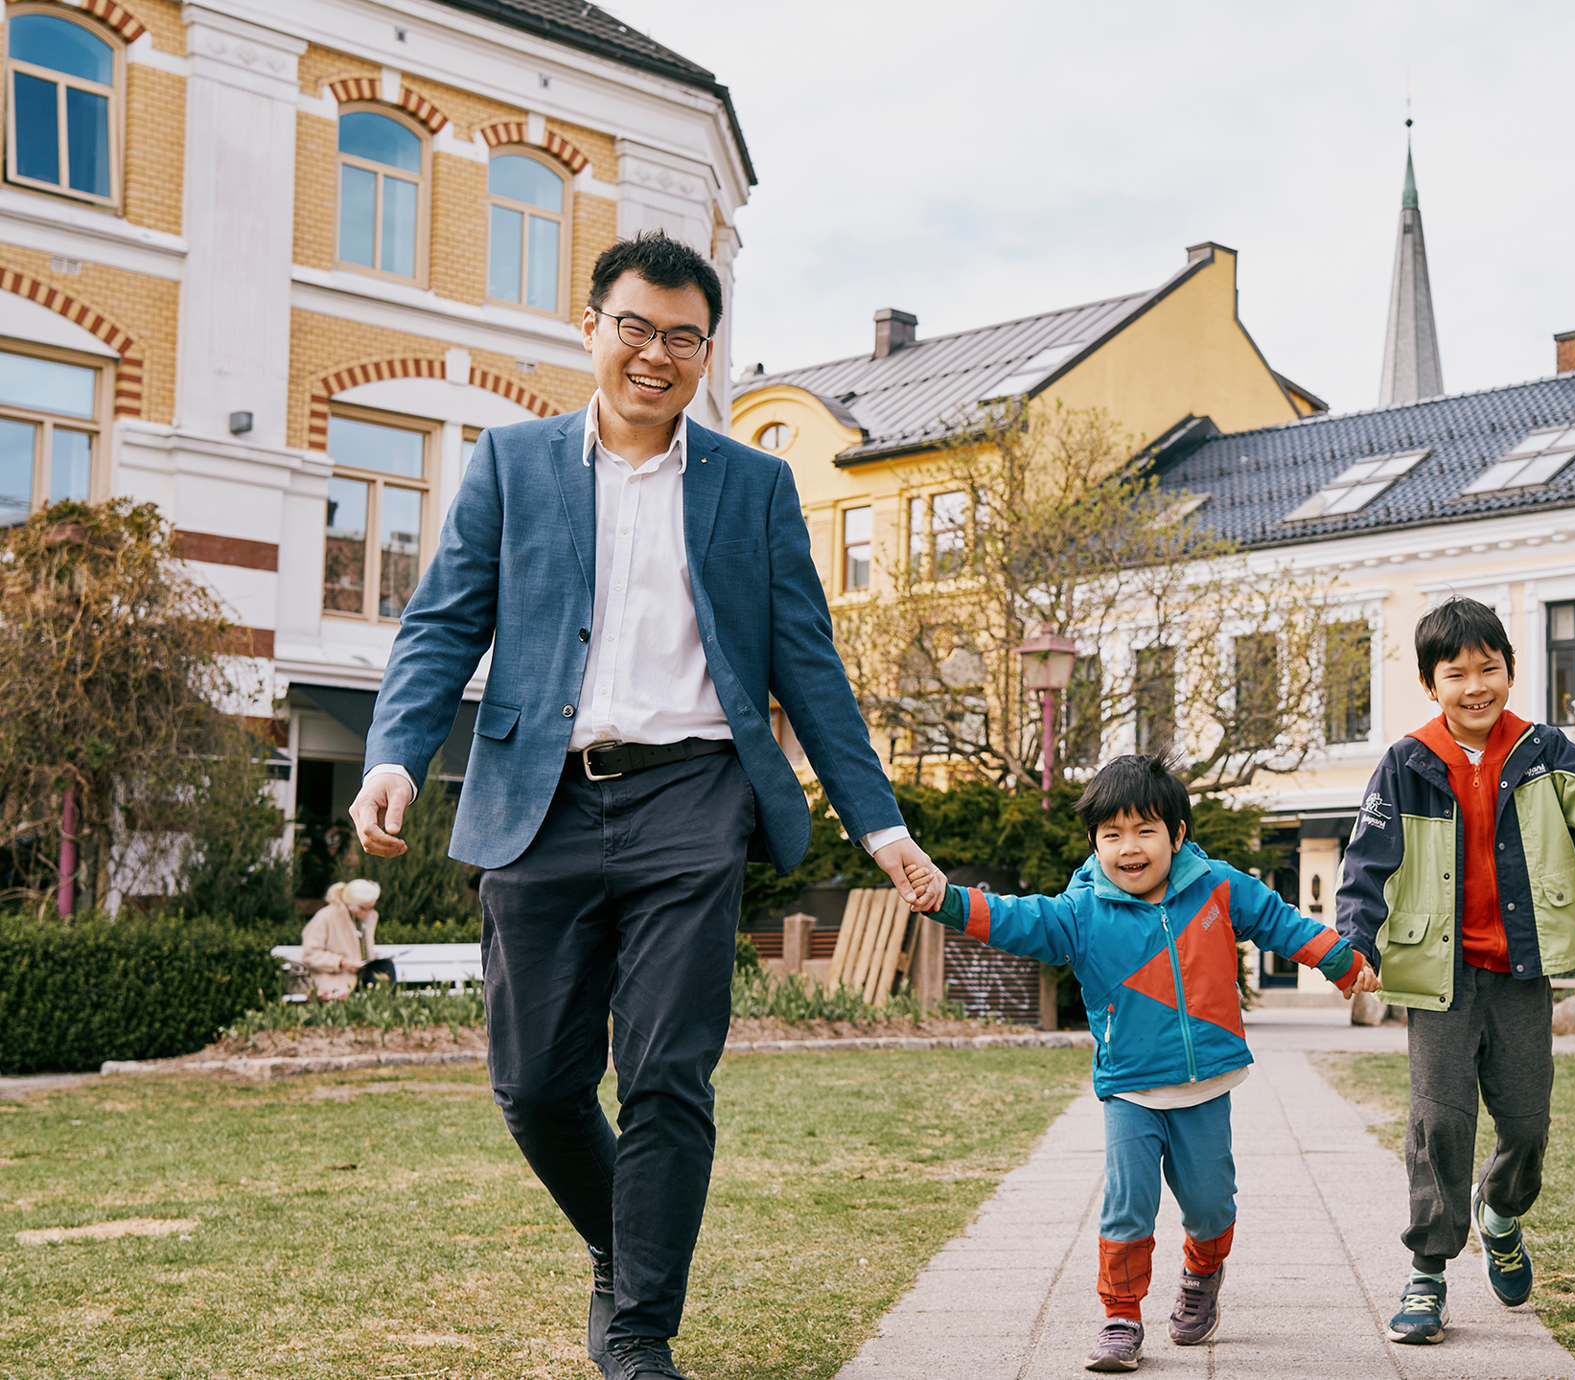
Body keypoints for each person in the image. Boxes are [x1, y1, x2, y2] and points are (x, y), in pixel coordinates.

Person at [347, 232, 945, 1380]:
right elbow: (439, 629)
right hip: (540, 798)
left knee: (669, 1071)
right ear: (593, 329)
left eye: (682, 336)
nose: (655, 354)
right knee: (535, 1085)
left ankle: (638, 1334)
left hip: (692, 797)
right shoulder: (510, 465)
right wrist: (396, 758)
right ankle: (626, 1249)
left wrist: (881, 825)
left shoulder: (755, 486)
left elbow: (807, 669)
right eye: (635, 326)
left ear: (706, 352)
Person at [908, 754, 1374, 1373]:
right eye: (1112, 835)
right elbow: (1018, 920)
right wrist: (947, 900)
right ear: (1095, 842)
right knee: (1128, 1205)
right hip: (1131, 1089)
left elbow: (1277, 921)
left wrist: (1337, 960)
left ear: (1177, 834)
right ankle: (1121, 1318)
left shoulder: (1218, 886)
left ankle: (1202, 1275)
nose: (1129, 848)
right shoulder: (1081, 914)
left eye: (1145, 831)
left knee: (1212, 1206)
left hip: (1206, 1083)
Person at [1333, 598, 1575, 1347]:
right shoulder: (1406, 764)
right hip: (1437, 977)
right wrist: (1355, 942)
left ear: (1510, 669)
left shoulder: (1541, 750)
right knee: (1440, 1124)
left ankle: (1499, 1217)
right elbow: (1366, 863)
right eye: (1456, 673)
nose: (1476, 685)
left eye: (1489, 668)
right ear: (1428, 683)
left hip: (1522, 970)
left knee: (1529, 1128)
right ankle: (1428, 1275)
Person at [301, 878, 392, 999]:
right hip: (337, 977)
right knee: (382, 971)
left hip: (361, 974)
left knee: (385, 966)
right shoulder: (326, 916)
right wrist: (340, 962)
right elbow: (310, 954)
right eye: (365, 908)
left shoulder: (367, 918)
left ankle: (388, 1009)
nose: (370, 912)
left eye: (372, 907)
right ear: (351, 905)